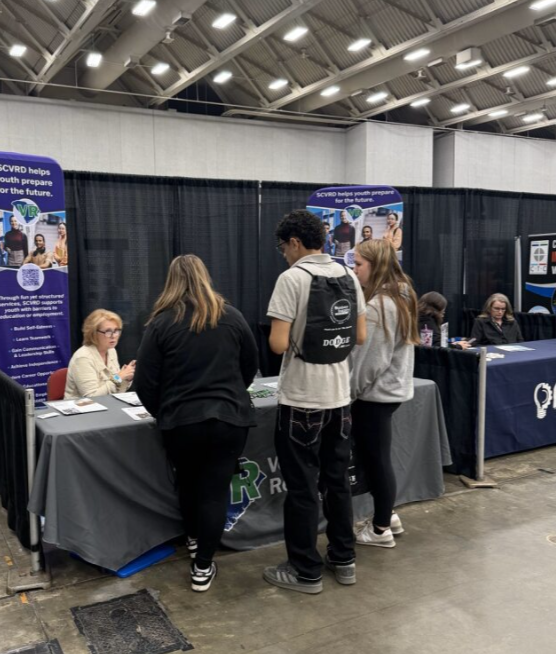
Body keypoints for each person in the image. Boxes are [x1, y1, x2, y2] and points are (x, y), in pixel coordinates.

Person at [134, 255, 258, 592]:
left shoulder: (161, 324)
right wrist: (232, 394)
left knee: (188, 485)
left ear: (171, 281)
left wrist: (166, 411)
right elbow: (250, 366)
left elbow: (144, 382)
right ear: (206, 276)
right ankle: (203, 566)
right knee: (215, 494)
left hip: (182, 422)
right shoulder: (231, 317)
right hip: (229, 420)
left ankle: (193, 542)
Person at [262, 210, 367, 595]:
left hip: (301, 398)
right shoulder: (348, 274)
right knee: (337, 481)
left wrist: (300, 341)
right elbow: (358, 336)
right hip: (339, 397)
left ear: (294, 242)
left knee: (303, 487)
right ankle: (344, 559)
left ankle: (305, 571)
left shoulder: (291, 279)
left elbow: (276, 343)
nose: (283, 255)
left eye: (283, 247)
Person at [350, 238, 419, 548]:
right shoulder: (402, 293)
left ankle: (380, 530)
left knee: (377, 459)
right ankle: (386, 515)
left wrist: (349, 393)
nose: (354, 269)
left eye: (359, 264)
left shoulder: (379, 304)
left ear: (375, 266)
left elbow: (369, 362)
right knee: (378, 457)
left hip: (375, 395)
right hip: (390, 391)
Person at [64, 310, 135, 399]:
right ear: (93, 333)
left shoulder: (111, 351)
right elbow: (92, 397)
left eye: (116, 331)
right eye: (108, 331)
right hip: (82, 409)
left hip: (108, 405)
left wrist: (127, 378)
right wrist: (119, 377)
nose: (113, 336)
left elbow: (117, 391)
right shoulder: (83, 357)